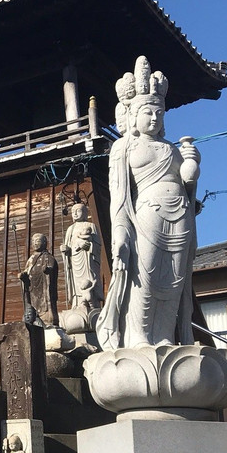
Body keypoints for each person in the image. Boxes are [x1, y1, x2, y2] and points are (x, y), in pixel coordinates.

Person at [97, 56, 200, 350]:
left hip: (180, 215)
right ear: (131, 116)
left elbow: (187, 183)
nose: (154, 118)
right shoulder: (124, 147)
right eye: (147, 112)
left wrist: (193, 169)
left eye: (159, 113)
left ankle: (165, 336)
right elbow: (119, 196)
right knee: (146, 279)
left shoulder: (172, 148)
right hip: (147, 216)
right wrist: (119, 235)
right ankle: (139, 336)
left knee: (175, 283)